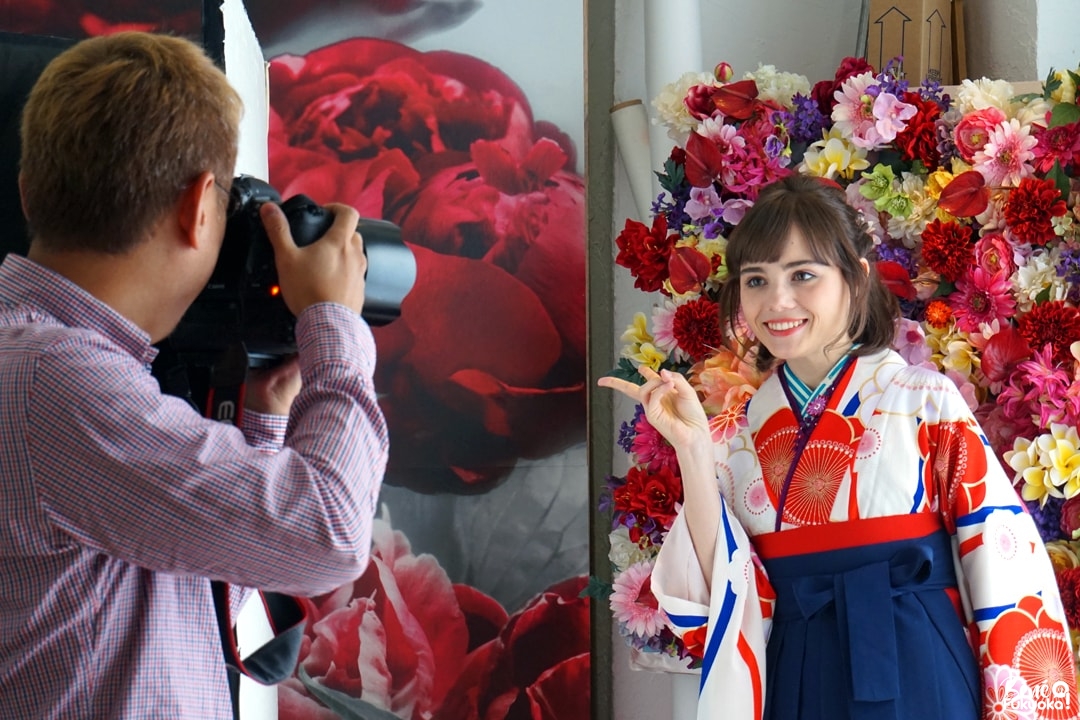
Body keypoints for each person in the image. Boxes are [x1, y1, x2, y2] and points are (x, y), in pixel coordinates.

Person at [0, 32, 387, 719]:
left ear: (29, 193)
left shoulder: (40, 366)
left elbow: (215, 549)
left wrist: (265, 413)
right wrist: (333, 321)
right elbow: (328, 535)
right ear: (199, 207)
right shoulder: (56, 384)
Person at [599, 173, 1077, 720]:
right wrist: (690, 449)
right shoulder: (740, 432)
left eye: (803, 275)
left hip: (919, 665)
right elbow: (726, 596)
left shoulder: (923, 401)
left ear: (857, 278)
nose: (777, 301)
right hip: (798, 673)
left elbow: (1003, 565)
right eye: (755, 280)